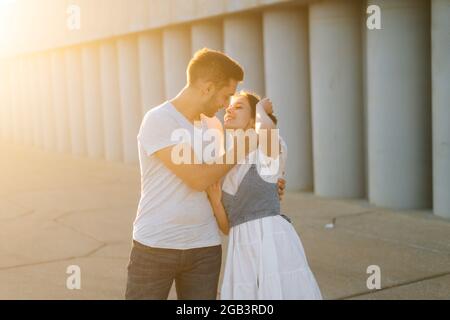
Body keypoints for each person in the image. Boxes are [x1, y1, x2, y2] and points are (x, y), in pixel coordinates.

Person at [125, 48, 286, 300]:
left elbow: (220, 178)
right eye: (226, 96)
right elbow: (199, 178)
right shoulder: (159, 120)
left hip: (205, 248)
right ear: (207, 88)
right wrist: (246, 143)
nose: (226, 106)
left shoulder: (213, 126)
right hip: (156, 246)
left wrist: (260, 188)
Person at [206, 91, 323, 300]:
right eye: (229, 106)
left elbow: (267, 131)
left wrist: (260, 108)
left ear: (253, 119)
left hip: (270, 242)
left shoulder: (265, 151)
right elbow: (227, 227)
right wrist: (215, 202)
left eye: (239, 106)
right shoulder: (228, 164)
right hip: (240, 251)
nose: (229, 109)